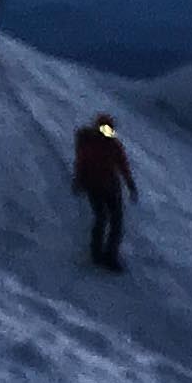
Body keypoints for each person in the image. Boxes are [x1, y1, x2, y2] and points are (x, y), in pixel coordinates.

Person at [72, 115, 135, 271]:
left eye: (109, 129)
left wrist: (130, 184)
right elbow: (82, 163)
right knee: (106, 219)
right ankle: (102, 254)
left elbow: (122, 165)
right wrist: (79, 180)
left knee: (111, 221)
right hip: (98, 186)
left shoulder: (110, 145)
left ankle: (105, 254)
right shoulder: (96, 144)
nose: (107, 132)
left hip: (106, 186)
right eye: (104, 128)